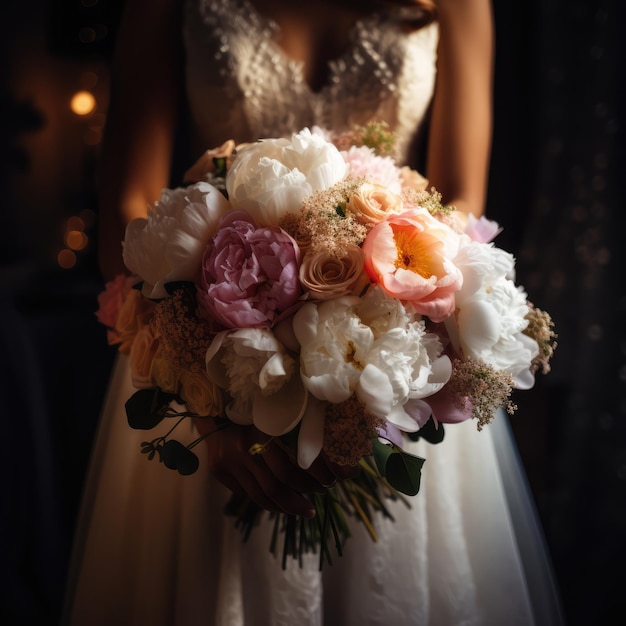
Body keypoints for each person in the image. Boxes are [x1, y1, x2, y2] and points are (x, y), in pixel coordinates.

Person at [63, 0, 564, 624]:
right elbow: (129, 205)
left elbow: (461, 197)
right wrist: (209, 398)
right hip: (204, 348)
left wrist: (387, 328)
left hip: (395, 345)